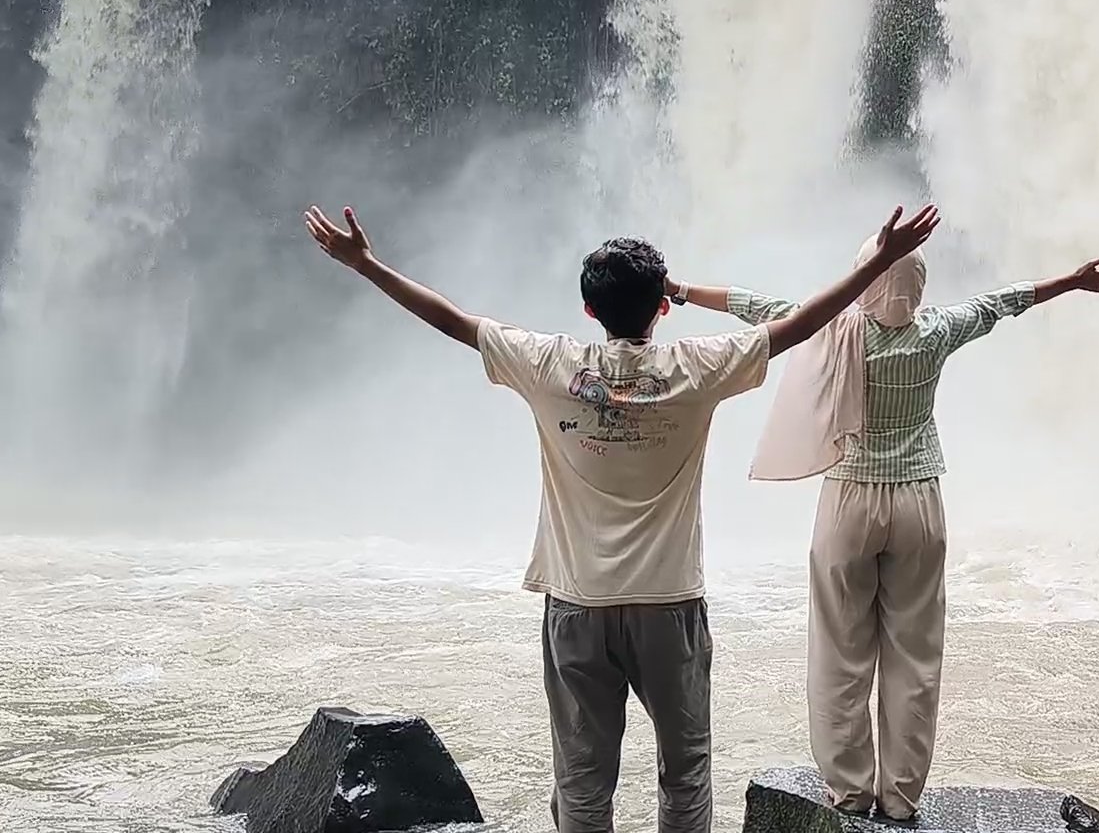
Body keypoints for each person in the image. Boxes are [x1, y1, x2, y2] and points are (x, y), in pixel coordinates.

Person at [302, 202, 943, 833]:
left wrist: (365, 265)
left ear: (588, 310)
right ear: (663, 306)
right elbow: (802, 326)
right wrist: (879, 265)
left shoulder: (548, 365)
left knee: (581, 781)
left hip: (578, 605)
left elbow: (452, 321)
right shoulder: (696, 368)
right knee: (686, 775)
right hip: (670, 606)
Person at [670, 245, 1099, 823]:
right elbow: (1005, 301)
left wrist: (681, 290)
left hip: (849, 498)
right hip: (918, 498)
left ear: (864, 283)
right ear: (918, 286)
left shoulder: (835, 330)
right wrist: (1073, 280)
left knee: (840, 650)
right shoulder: (936, 331)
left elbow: (752, 306)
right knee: (914, 654)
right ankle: (901, 796)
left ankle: (850, 791)